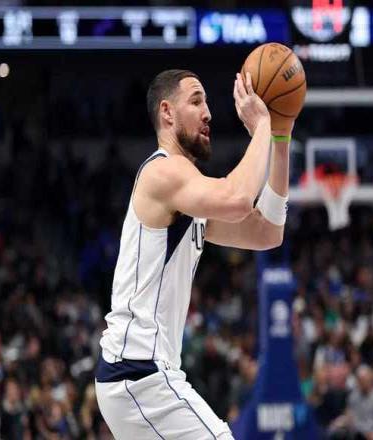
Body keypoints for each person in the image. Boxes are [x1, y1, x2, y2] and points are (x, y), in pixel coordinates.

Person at [95, 69, 293, 439]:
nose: (208, 113)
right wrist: (262, 126)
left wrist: (280, 140)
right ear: (167, 112)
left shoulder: (187, 194)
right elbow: (238, 198)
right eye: (196, 101)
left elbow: (267, 232)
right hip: (139, 373)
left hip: (139, 376)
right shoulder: (162, 172)